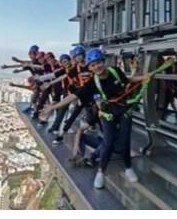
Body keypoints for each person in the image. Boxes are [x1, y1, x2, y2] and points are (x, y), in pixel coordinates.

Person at [37, 48, 153, 189]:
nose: (97, 67)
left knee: (124, 141)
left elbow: (128, 80)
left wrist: (143, 77)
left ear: (103, 62)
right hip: (107, 113)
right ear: (90, 68)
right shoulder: (93, 83)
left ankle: (128, 168)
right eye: (93, 65)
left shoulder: (115, 71)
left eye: (99, 63)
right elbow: (74, 96)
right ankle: (101, 173)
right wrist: (53, 107)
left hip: (123, 110)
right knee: (108, 142)